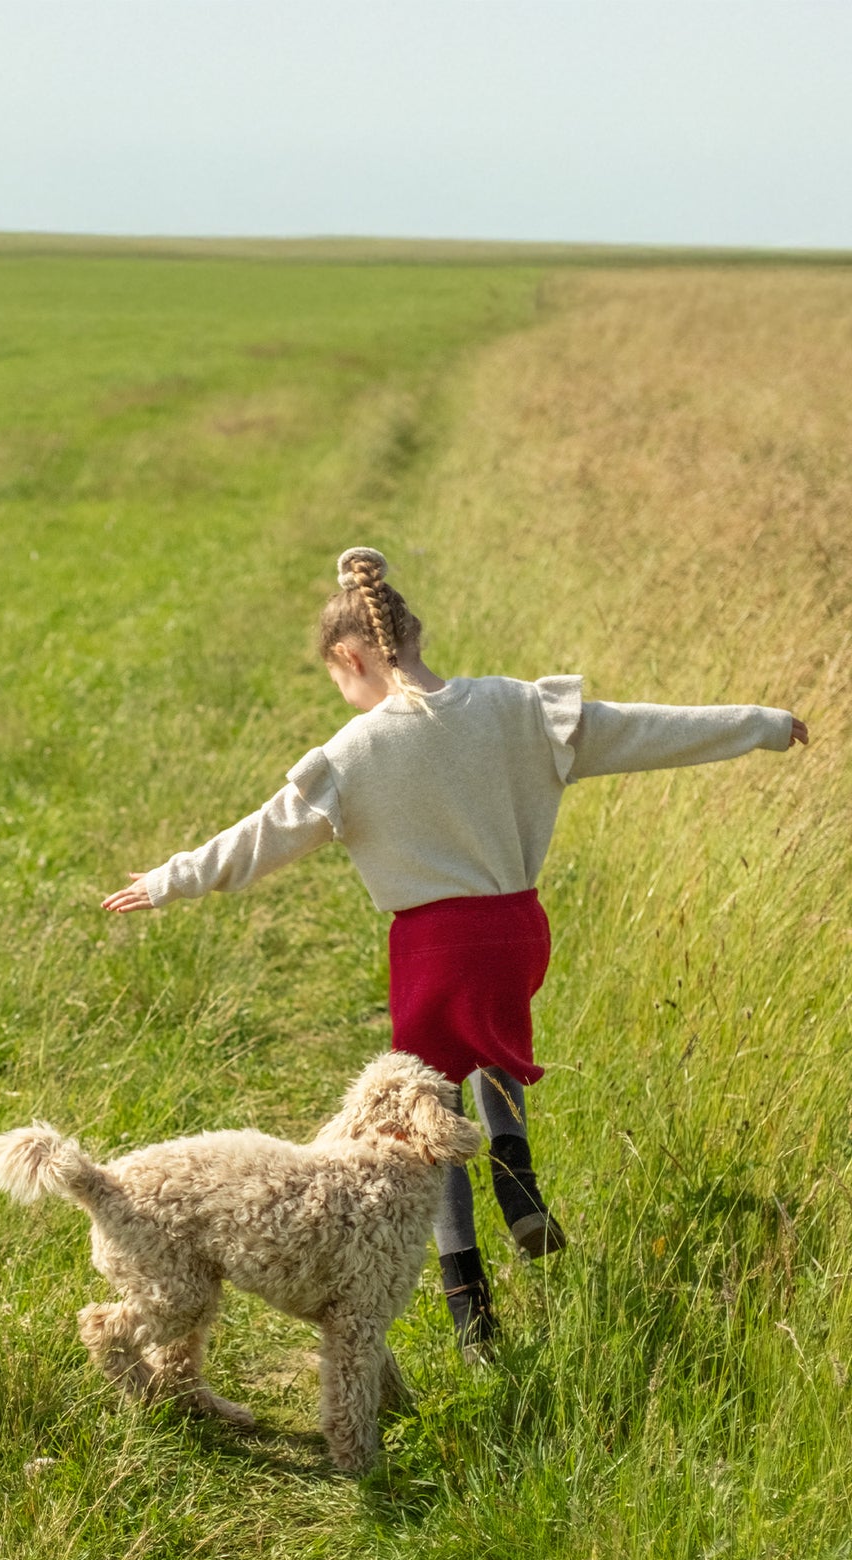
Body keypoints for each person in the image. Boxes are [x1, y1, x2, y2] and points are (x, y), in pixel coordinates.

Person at [102, 548, 808, 1357]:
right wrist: (761, 724)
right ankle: (516, 1172)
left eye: (336, 679)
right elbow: (644, 729)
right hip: (517, 932)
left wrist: (168, 880)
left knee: (426, 1118)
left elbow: (259, 839)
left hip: (434, 944)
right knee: (491, 1045)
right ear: (415, 634)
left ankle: (469, 1302)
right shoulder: (518, 708)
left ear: (350, 658)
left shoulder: (354, 754)